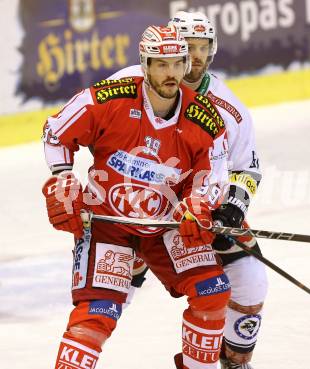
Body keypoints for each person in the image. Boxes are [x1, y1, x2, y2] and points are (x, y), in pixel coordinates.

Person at [41, 24, 232, 369]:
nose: (171, 72)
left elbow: (214, 174)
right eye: (161, 64)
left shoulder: (204, 119)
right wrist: (63, 178)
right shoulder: (107, 98)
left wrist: (199, 204)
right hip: (107, 224)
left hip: (167, 223)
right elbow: (55, 133)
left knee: (212, 292)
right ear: (144, 64)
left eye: (178, 63)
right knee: (95, 316)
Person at [109, 12, 268, 369]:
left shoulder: (230, 109)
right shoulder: (126, 86)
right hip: (134, 213)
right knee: (106, 299)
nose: (195, 57)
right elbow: (97, 133)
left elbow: (248, 168)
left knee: (251, 280)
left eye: (202, 47)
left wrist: (232, 208)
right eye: (187, 48)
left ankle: (232, 360)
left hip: (196, 218)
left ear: (213, 50)